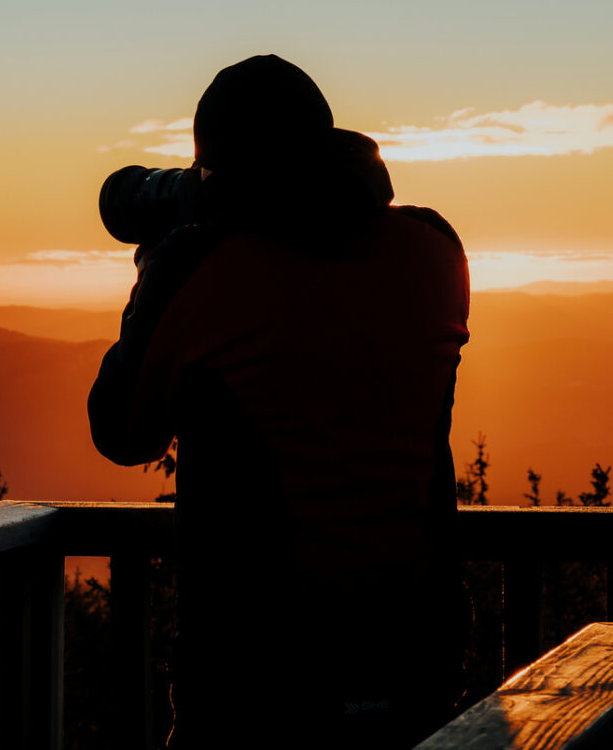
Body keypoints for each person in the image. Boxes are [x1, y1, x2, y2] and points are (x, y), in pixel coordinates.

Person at [89, 55, 469, 749]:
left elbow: (121, 432)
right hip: (417, 658)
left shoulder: (198, 268)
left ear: (217, 172)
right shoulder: (434, 248)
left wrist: (155, 276)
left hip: (256, 677)